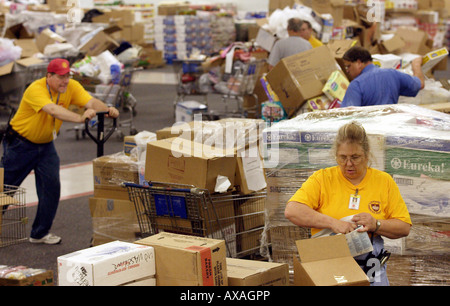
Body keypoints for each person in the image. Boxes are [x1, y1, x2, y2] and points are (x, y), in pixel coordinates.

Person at [1, 58, 120, 245]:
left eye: (67, 76)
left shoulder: (71, 86)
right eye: (60, 77)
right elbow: (53, 110)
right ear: (49, 76)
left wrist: (107, 110)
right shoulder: (35, 89)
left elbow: (90, 101)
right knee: (5, 188)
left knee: (51, 188)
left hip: (46, 145)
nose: (65, 81)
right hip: (20, 144)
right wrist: (80, 118)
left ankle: (39, 233)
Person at [284, 121, 411, 286]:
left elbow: (404, 227)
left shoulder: (384, 182)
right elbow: (292, 211)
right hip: (331, 268)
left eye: (355, 157)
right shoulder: (322, 179)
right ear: (335, 154)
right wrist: (334, 223)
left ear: (367, 154)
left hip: (371, 271)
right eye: (342, 157)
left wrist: (376, 224)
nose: (348, 164)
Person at [341, 46, 424, 107]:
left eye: (348, 66)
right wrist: (416, 65)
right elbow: (420, 84)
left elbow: (348, 117)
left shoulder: (356, 85)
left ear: (359, 63)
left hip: (368, 129)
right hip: (390, 127)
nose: (347, 71)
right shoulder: (392, 74)